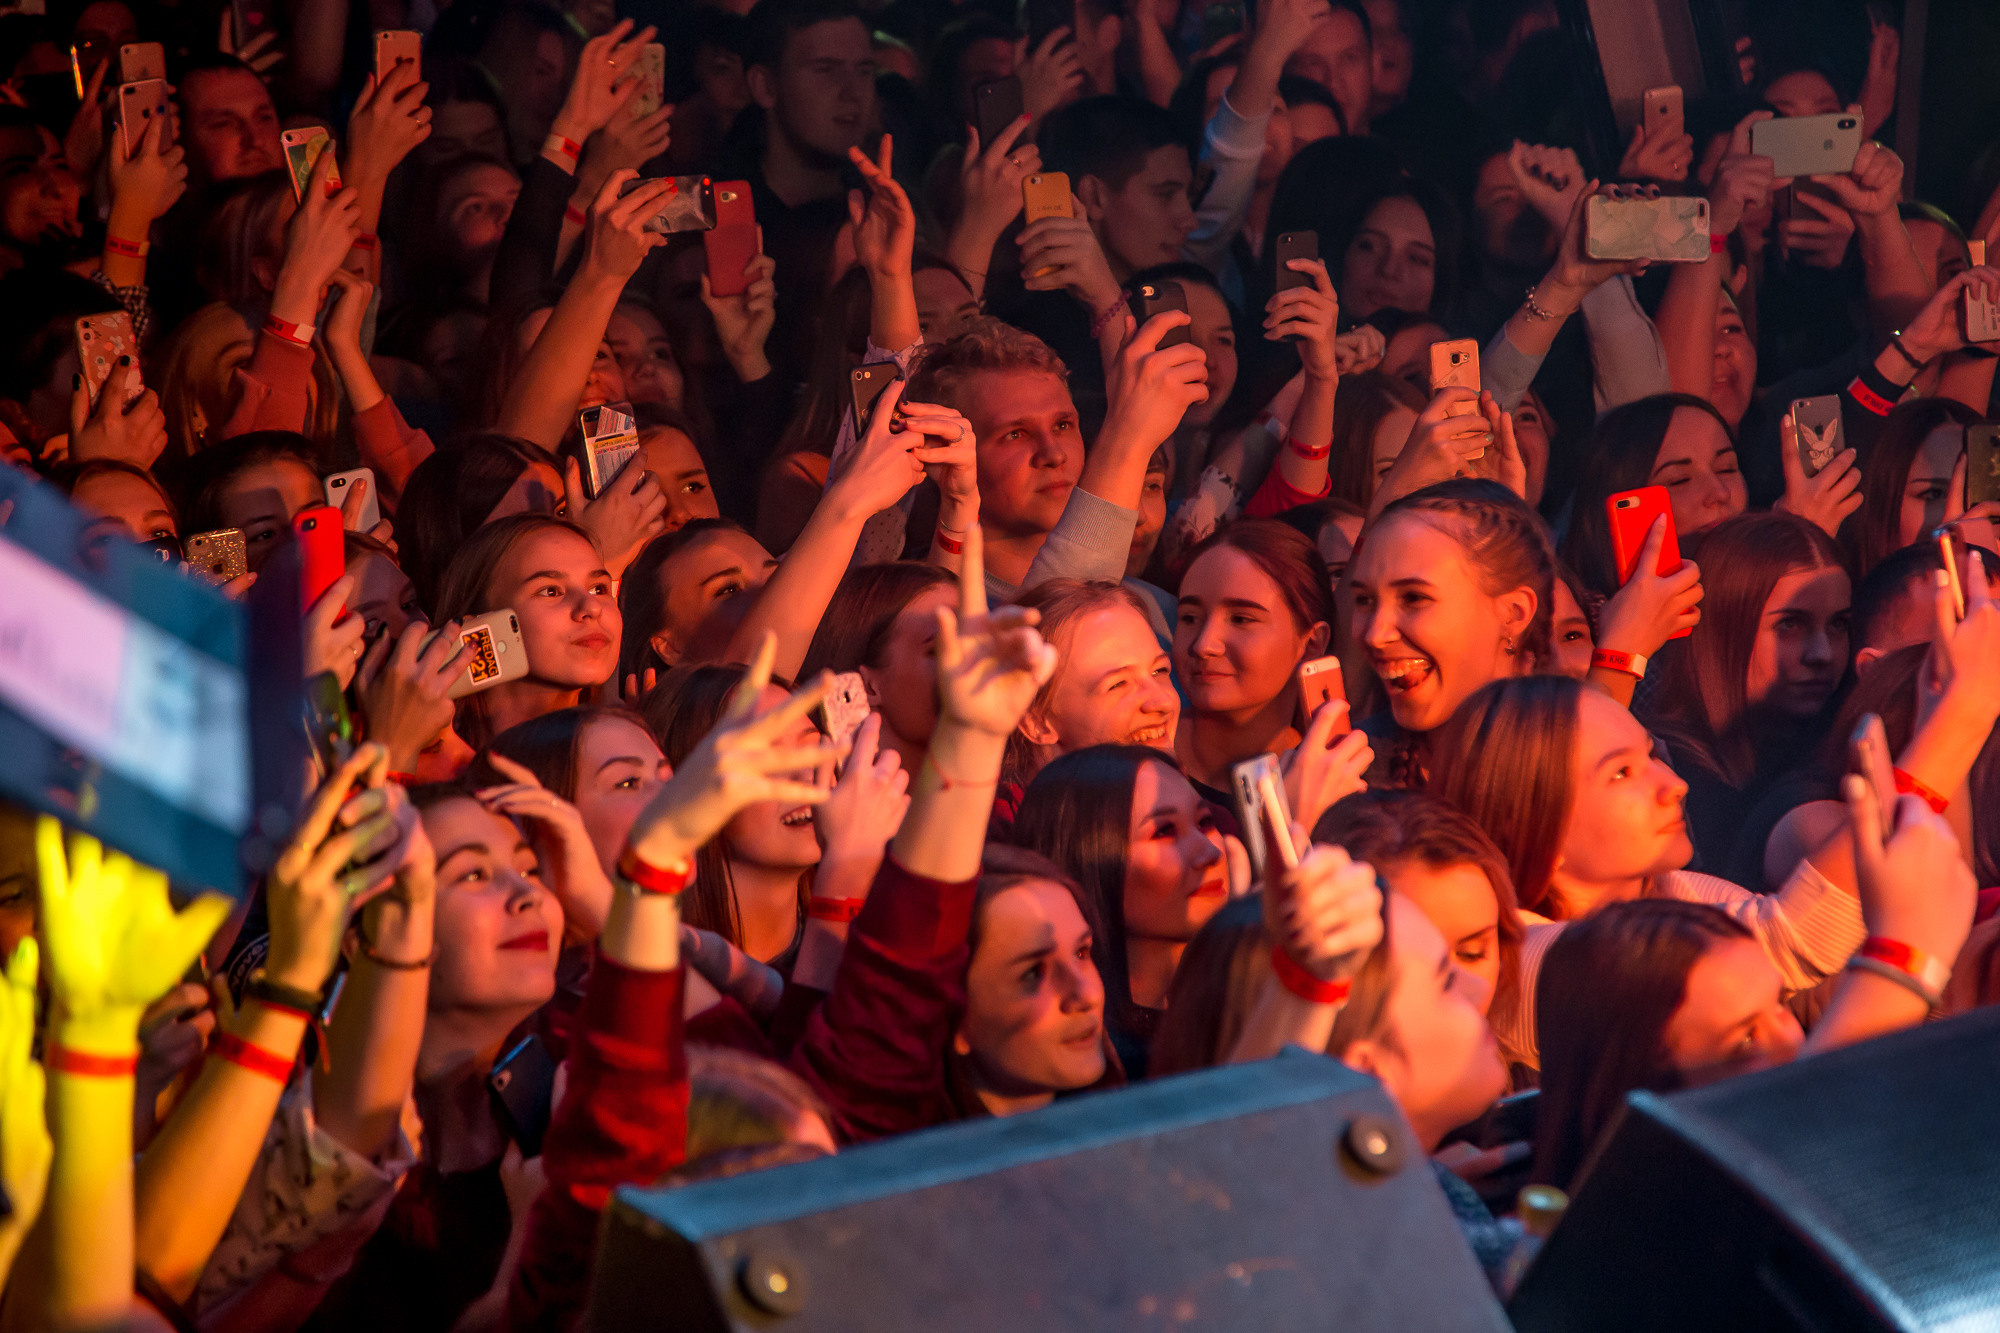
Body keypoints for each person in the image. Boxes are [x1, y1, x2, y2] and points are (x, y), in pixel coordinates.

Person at [1010, 745, 1238, 1078]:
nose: (1209, 852)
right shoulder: (1081, 1053)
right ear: (1088, 859)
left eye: (1204, 822)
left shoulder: (1244, 1001)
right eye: (1164, 831)